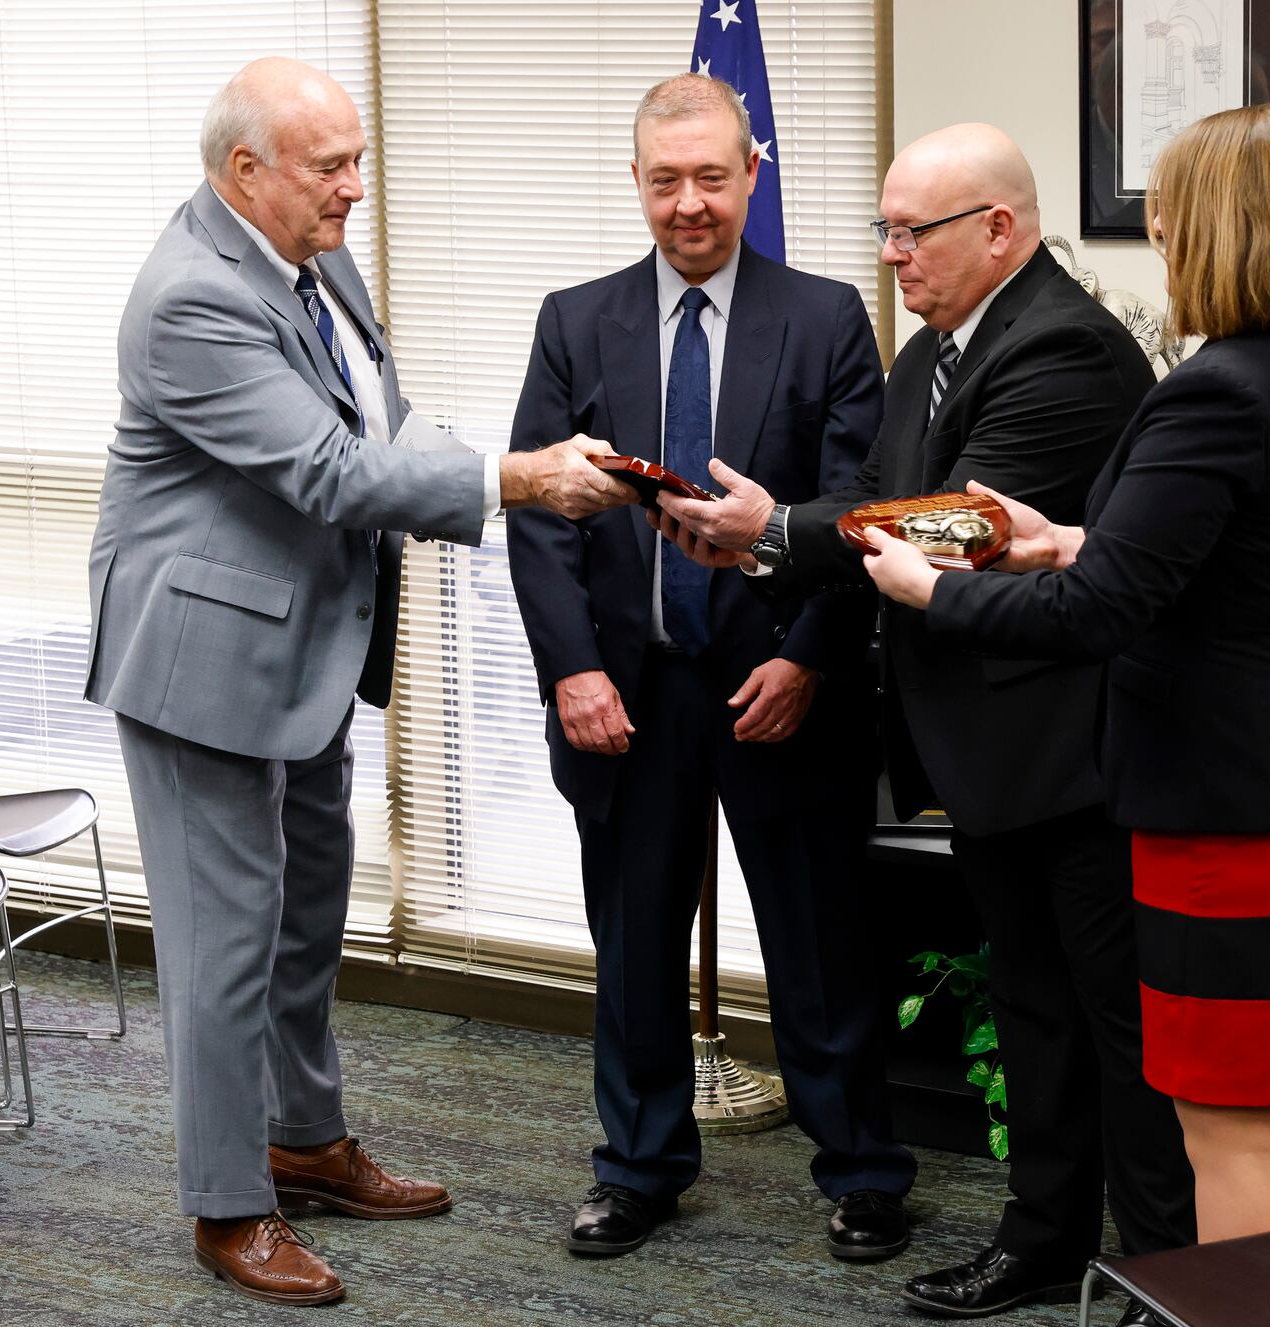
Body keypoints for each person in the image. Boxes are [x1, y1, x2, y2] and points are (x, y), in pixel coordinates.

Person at [85, 58, 633, 1306]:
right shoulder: (189, 301)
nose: (355, 188)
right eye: (328, 165)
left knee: (305, 918)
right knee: (226, 946)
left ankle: (306, 1141)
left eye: (358, 157)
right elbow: (330, 474)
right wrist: (519, 479)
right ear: (244, 174)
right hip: (201, 664)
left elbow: (378, 423)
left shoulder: (314, 257)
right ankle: (229, 1204)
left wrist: (532, 463)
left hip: (307, 645)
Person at [656, 123, 1194, 1324]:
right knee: (1034, 1013)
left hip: (1075, 759)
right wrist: (785, 521)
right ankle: (1048, 1242)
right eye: (884, 229)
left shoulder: (1061, 349)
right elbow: (880, 504)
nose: (892, 254)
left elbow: (955, 527)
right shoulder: (935, 348)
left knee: (1120, 1035)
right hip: (992, 759)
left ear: (997, 229)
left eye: (915, 231)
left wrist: (777, 533)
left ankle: (1167, 1278)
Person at [861, 103, 1270, 1249]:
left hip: (1229, 814)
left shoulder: (1216, 389)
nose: (1155, 228)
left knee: (1225, 1128)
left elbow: (1101, 613)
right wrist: (1059, 534)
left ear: (1219, 228)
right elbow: (1230, 563)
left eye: (1168, 208)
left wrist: (935, 589)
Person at [505, 72, 916, 1261]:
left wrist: (808, 659)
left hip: (777, 686)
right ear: (635, 183)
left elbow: (862, 512)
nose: (691, 203)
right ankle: (636, 1167)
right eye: (666, 179)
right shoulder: (575, 321)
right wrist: (571, 672)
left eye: (713, 177)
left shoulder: (827, 315)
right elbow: (538, 513)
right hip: (626, 693)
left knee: (818, 939)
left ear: (752, 176)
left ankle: (863, 1170)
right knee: (633, 938)